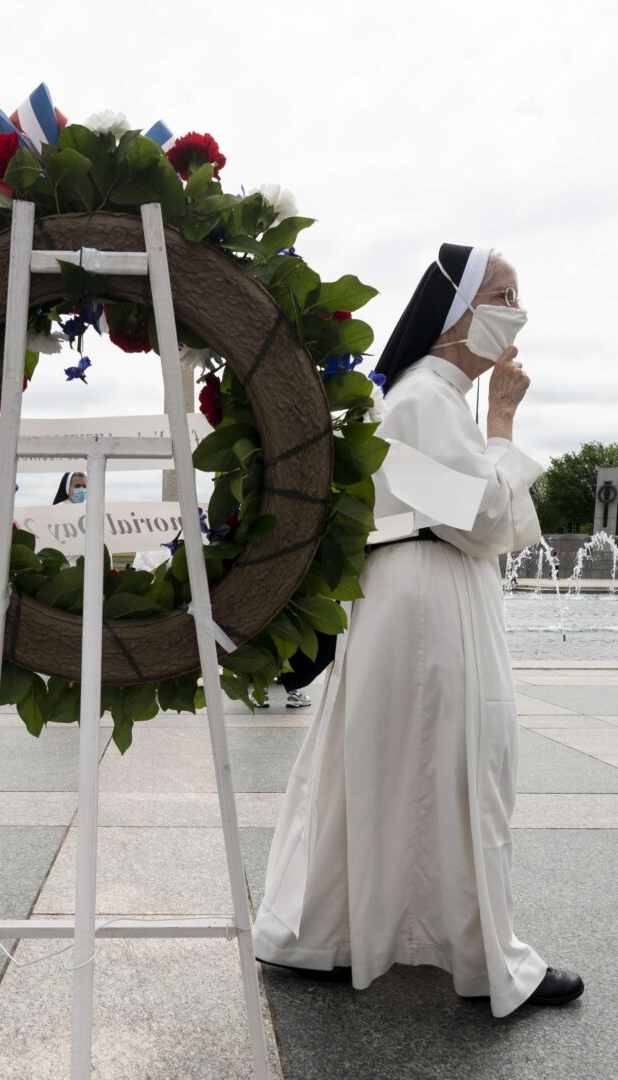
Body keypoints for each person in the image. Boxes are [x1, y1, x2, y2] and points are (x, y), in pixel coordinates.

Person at [253, 243, 584, 1015]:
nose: (515, 309)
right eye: (501, 293)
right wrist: (503, 420)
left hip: (422, 594)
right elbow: (485, 517)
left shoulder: (426, 399)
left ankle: (339, 931)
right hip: (427, 599)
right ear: (455, 314)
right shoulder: (420, 400)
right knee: (459, 760)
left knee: (403, 757)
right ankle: (475, 956)